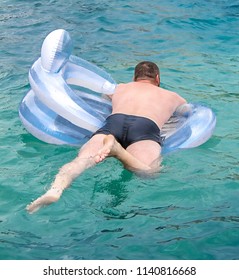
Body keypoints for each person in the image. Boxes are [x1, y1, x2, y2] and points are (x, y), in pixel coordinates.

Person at [26, 61, 186, 213]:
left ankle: (56, 189)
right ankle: (118, 152)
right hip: (146, 127)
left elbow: (103, 99)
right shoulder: (172, 96)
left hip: (113, 123)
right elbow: (186, 114)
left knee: (81, 161)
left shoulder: (119, 88)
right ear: (157, 79)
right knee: (149, 172)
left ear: (134, 78)